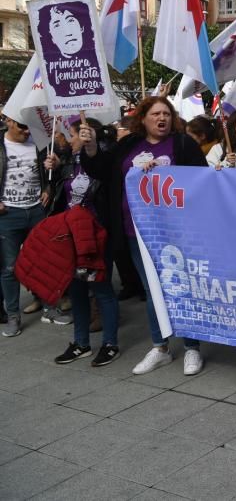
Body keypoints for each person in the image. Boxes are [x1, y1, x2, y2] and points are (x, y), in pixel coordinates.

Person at [80, 96, 209, 375]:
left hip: (174, 232)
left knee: (179, 286)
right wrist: (90, 147)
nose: (161, 118)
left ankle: (191, 347)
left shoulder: (183, 144)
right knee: (152, 289)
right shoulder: (128, 145)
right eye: (155, 114)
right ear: (143, 118)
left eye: (166, 113)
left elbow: (202, 180)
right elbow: (100, 169)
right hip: (135, 230)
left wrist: (164, 172)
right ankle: (160, 346)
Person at [44, 118, 120, 366]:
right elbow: (60, 194)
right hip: (70, 235)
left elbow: (106, 178)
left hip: (96, 234)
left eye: (74, 134)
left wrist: (92, 148)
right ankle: (81, 343)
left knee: (101, 288)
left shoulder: (105, 159)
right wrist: (52, 171)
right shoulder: (67, 162)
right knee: (76, 289)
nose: (70, 139)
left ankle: (110, 344)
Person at [0, 114, 60, 337]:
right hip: (9, 215)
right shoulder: (1, 145)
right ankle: (13, 316)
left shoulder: (39, 144)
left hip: (36, 210)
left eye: (28, 127)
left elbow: (52, 174)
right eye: (22, 127)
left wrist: (48, 187)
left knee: (43, 261)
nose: (27, 131)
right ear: (8, 121)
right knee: (9, 267)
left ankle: (49, 308)